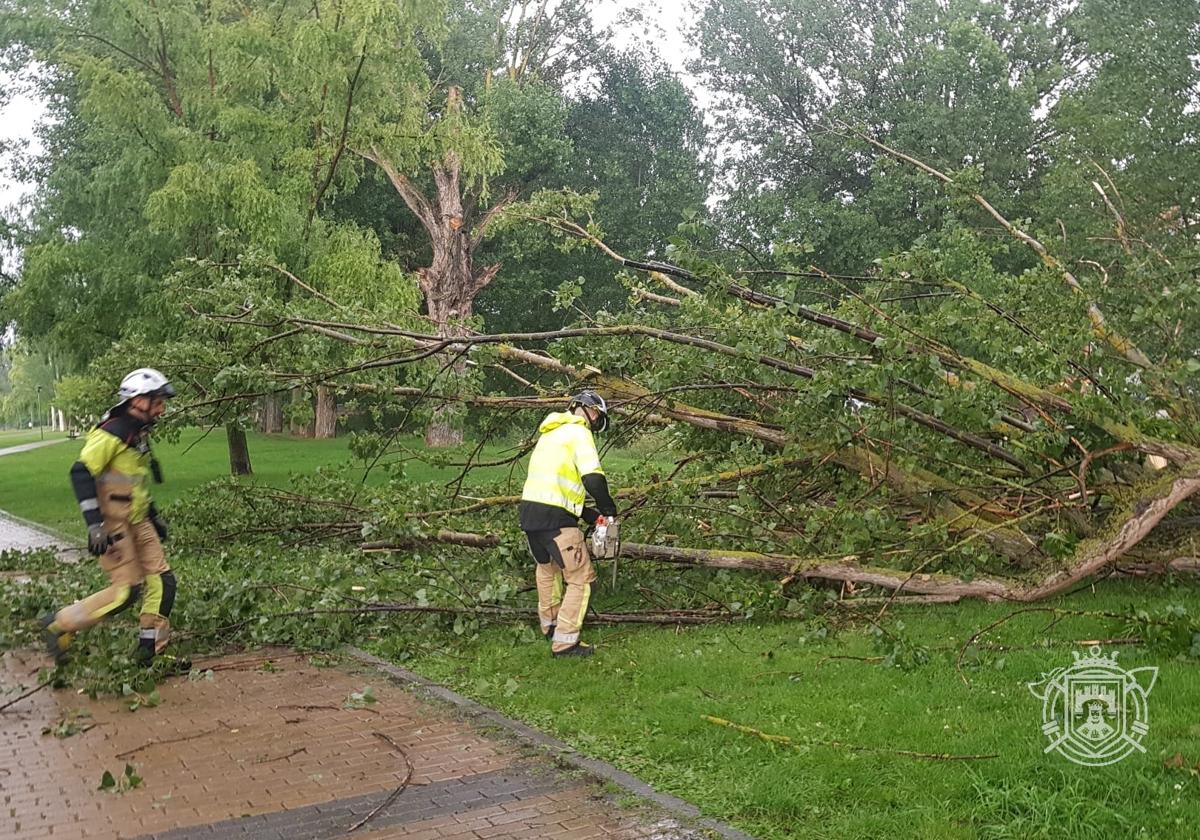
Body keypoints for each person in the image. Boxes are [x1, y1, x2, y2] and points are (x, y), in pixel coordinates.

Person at [40, 368, 183, 669]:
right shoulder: (112, 432)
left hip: (139, 520)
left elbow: (134, 482)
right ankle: (59, 625)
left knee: (163, 582)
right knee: (125, 593)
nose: (162, 409)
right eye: (157, 402)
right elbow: (81, 472)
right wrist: (94, 525)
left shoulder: (138, 433)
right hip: (113, 526)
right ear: (138, 400)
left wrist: (154, 517)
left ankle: (150, 652)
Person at [519, 390, 619, 658]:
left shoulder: (550, 434)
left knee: (547, 570)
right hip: (556, 521)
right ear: (593, 412)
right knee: (581, 579)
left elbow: (554, 488)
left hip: (530, 514)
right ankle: (565, 642)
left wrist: (589, 515)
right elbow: (593, 479)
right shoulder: (580, 432)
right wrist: (609, 510)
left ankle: (549, 625)